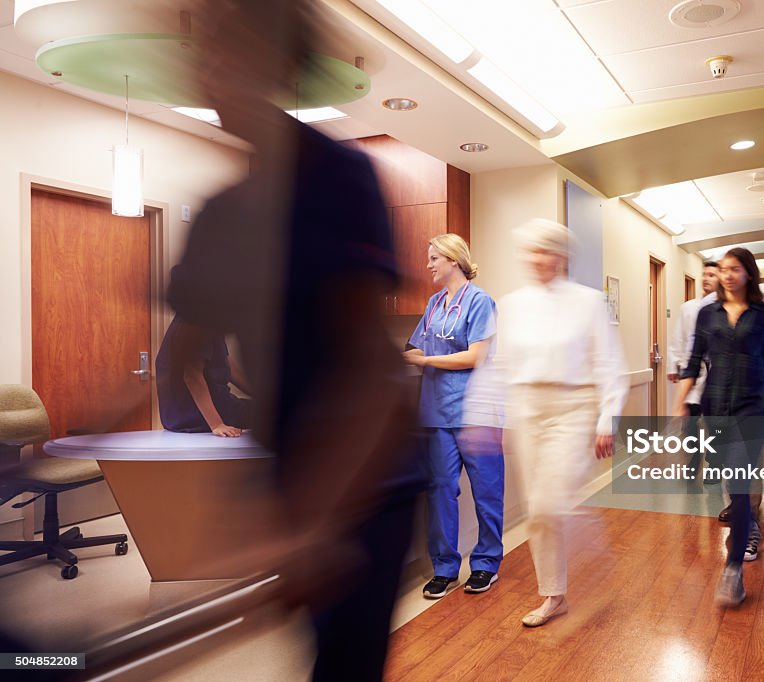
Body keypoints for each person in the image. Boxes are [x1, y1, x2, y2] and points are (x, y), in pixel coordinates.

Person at [170, 2, 423, 679]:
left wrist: (316, 524)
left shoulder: (340, 178)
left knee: (342, 664)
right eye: (202, 50)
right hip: (291, 473)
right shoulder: (222, 214)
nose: (209, 69)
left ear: (280, 60)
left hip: (369, 481)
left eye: (229, 48)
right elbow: (180, 348)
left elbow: (378, 379)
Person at [498, 218, 628, 628]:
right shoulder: (512, 304)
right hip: (527, 408)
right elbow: (501, 366)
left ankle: (590, 539)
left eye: (548, 251)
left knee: (545, 505)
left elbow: (610, 363)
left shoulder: (588, 301)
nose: (540, 259)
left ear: (563, 256)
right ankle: (553, 594)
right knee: (538, 511)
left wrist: (607, 418)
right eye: (532, 251)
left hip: (573, 407)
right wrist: (489, 418)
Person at [674, 247, 764, 607]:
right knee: (728, 478)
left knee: (739, 485)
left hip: (753, 409)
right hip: (716, 409)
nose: (727, 275)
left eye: (735, 269)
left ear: (749, 274)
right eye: (723, 269)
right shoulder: (707, 315)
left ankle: (733, 567)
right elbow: (693, 362)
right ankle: (745, 530)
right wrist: (680, 405)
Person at [403, 234, 503, 599]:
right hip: (437, 411)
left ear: (454, 260)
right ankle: (445, 568)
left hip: (477, 411)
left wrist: (425, 360)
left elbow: (475, 356)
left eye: (433, 258)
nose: (428, 265)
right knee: (441, 491)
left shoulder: (480, 301)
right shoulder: (433, 303)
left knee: (486, 492)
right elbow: (417, 346)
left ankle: (486, 564)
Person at [155, 314, 252, 436]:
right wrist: (217, 425)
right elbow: (192, 376)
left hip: (189, 412)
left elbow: (225, 363)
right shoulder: (197, 321)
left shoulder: (208, 321)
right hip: (195, 415)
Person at [667, 261, 719, 466]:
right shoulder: (688, 307)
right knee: (689, 419)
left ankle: (715, 461)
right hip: (693, 373)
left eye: (712, 275)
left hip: (716, 374)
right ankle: (694, 456)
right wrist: (673, 365)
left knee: (715, 422)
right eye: (704, 274)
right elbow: (678, 338)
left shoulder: (724, 308)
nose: (706, 278)